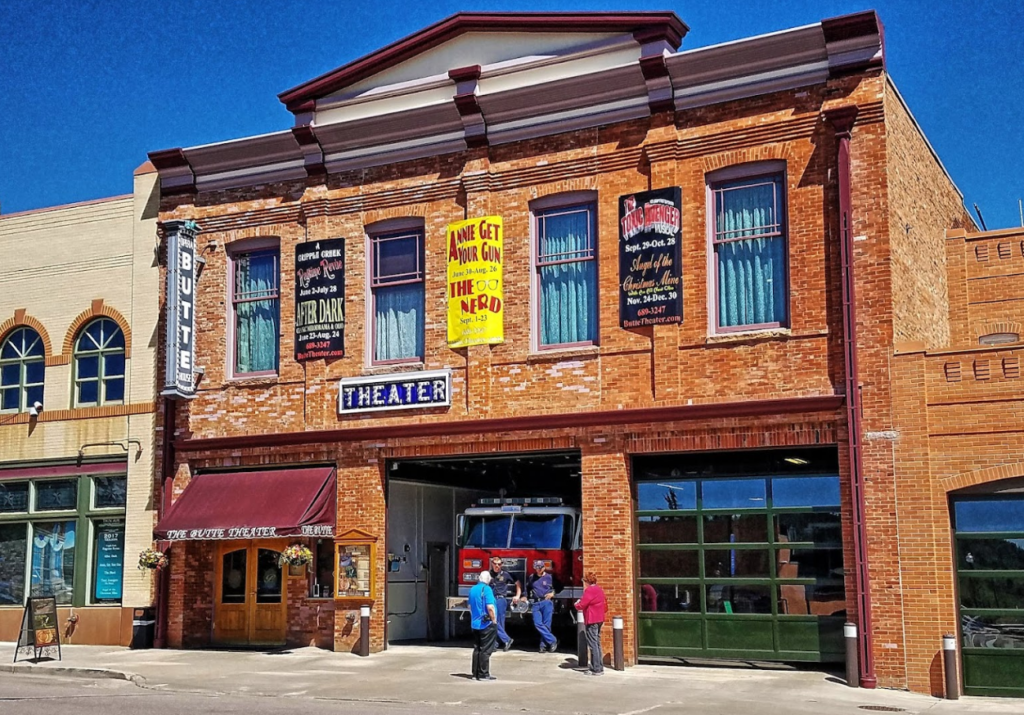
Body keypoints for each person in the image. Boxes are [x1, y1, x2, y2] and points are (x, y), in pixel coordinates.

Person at [574, 572, 607, 676]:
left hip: (592, 619)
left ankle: (595, 669)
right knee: (597, 643)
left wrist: (576, 604)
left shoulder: (589, 590)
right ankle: (599, 667)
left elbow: (582, 604)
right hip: (599, 618)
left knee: (592, 644)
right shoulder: (599, 589)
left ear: (587, 581)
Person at [488, 556, 522, 652]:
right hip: (491, 600)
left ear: (502, 564)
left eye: (499, 564)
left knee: (498, 622)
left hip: (500, 599)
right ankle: (500, 642)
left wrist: (517, 595)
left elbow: (518, 583)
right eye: (495, 564)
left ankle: (502, 642)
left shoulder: (506, 574)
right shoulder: (488, 574)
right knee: (492, 621)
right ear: (492, 564)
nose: (497, 566)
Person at [469, 570, 498, 681]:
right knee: (486, 650)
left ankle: (475, 674)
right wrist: (494, 620)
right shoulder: (487, 589)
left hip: (475, 624)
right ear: (488, 579)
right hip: (486, 624)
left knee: (477, 649)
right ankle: (483, 674)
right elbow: (490, 607)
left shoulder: (472, 589)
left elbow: (470, 607)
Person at [526, 560, 560, 653]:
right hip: (536, 603)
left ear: (543, 568)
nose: (538, 570)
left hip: (547, 602)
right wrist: (525, 597)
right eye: (536, 568)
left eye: (540, 568)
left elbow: (560, 586)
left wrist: (553, 593)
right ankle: (553, 640)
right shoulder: (531, 577)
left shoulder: (550, 577)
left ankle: (543, 645)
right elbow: (527, 588)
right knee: (537, 623)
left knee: (546, 624)